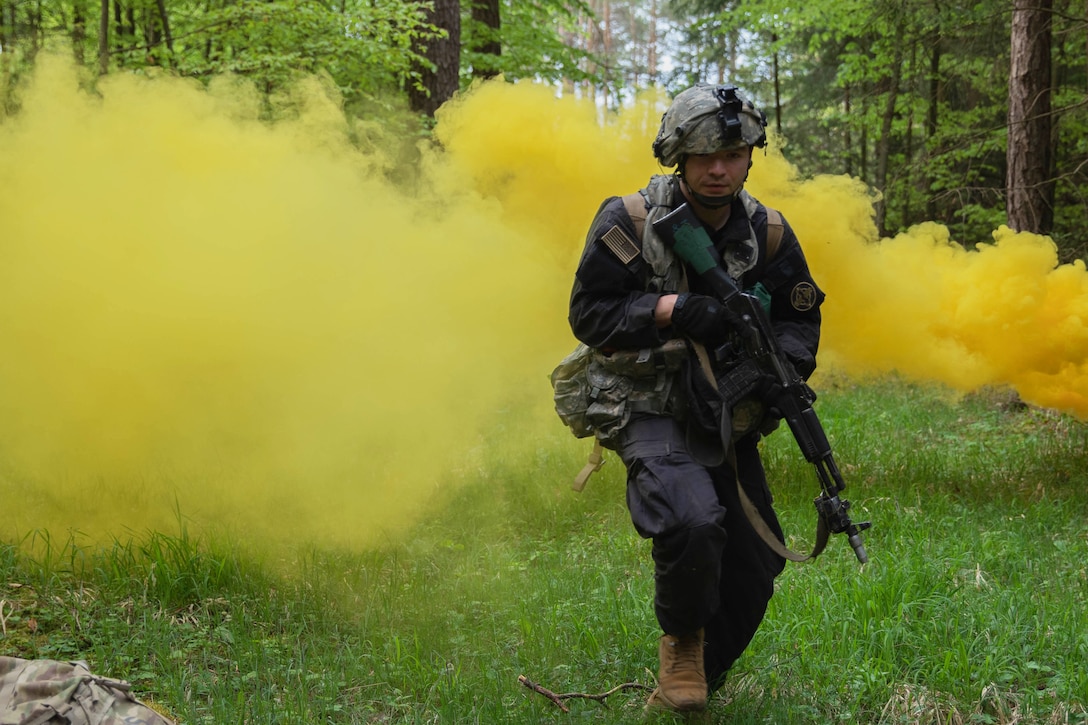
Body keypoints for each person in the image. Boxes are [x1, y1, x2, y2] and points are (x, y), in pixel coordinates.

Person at [566, 83, 825, 713]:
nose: (718, 169)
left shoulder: (767, 232)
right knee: (693, 520)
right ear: (677, 156)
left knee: (758, 564)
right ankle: (681, 644)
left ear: (748, 159)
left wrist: (778, 368)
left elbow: (799, 319)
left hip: (724, 412)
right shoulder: (629, 220)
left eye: (733, 155)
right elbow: (589, 313)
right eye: (705, 155)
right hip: (646, 401)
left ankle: (692, 682)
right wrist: (672, 309)